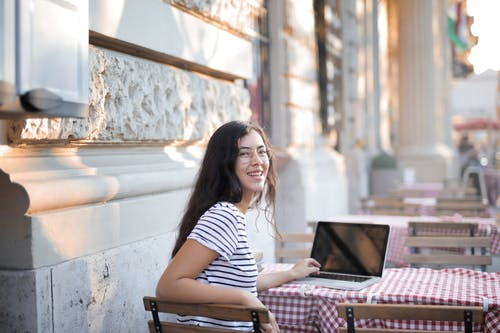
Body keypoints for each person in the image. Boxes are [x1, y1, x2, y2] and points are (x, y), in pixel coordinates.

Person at [155, 120, 320, 332]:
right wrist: (245, 299)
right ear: (225, 164)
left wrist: (291, 273)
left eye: (262, 152)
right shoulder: (224, 216)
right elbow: (168, 286)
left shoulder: (231, 214)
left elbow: (243, 283)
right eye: (244, 154)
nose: (257, 161)